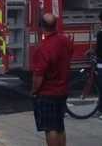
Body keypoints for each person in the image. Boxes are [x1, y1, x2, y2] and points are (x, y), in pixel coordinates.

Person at [31, 13, 74, 146]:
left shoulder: (43, 48)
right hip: (62, 90)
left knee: (50, 128)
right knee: (59, 125)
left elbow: (39, 75)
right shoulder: (65, 41)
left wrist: (34, 91)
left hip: (47, 92)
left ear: (41, 27)